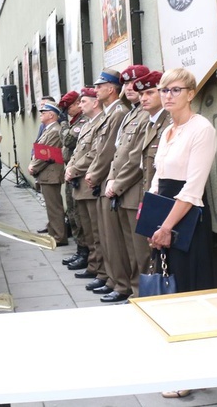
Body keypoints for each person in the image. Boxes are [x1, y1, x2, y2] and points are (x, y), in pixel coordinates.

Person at [148, 67, 217, 292]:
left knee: (185, 282)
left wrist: (167, 227)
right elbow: (158, 175)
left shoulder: (201, 129)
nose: (168, 95)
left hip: (187, 216)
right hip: (164, 210)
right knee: (166, 280)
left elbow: (193, 188)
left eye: (176, 90)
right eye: (164, 90)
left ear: (191, 94)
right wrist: (152, 221)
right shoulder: (168, 130)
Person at [104, 65, 151, 298]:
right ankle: (133, 291)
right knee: (130, 247)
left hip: (134, 191)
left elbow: (136, 160)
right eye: (126, 84)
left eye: (136, 83)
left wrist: (117, 183)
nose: (130, 88)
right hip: (122, 190)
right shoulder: (132, 113)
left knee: (141, 250)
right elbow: (118, 152)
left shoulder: (144, 115)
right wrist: (112, 178)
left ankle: (141, 293)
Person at [85, 69, 131, 303]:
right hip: (104, 179)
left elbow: (108, 151)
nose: (96, 90)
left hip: (109, 179)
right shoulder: (108, 113)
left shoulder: (118, 112)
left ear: (111, 88)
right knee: (104, 235)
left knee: (113, 238)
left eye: (100, 86)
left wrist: (94, 173)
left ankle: (121, 283)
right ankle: (112, 279)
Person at [65, 88, 107, 284]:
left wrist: (74, 169)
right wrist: (72, 166)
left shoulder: (101, 122)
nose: (79, 106)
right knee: (86, 229)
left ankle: (100, 270)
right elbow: (77, 151)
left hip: (90, 182)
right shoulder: (88, 124)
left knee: (96, 231)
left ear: (95, 103)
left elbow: (95, 154)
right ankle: (93, 266)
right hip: (80, 183)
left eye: (83, 102)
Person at [28, 101, 68, 246]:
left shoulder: (54, 130)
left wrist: (33, 166)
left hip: (51, 173)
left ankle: (59, 236)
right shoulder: (48, 129)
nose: (41, 115)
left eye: (43, 113)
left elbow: (46, 154)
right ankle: (54, 233)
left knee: (54, 207)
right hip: (47, 174)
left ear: (51, 115)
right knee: (51, 207)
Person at [57, 90, 86, 267]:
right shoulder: (74, 121)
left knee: (79, 214)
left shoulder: (82, 121)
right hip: (70, 170)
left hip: (79, 173)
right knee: (72, 213)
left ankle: (85, 252)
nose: (67, 112)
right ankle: (80, 249)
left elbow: (67, 140)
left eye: (69, 108)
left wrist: (63, 124)